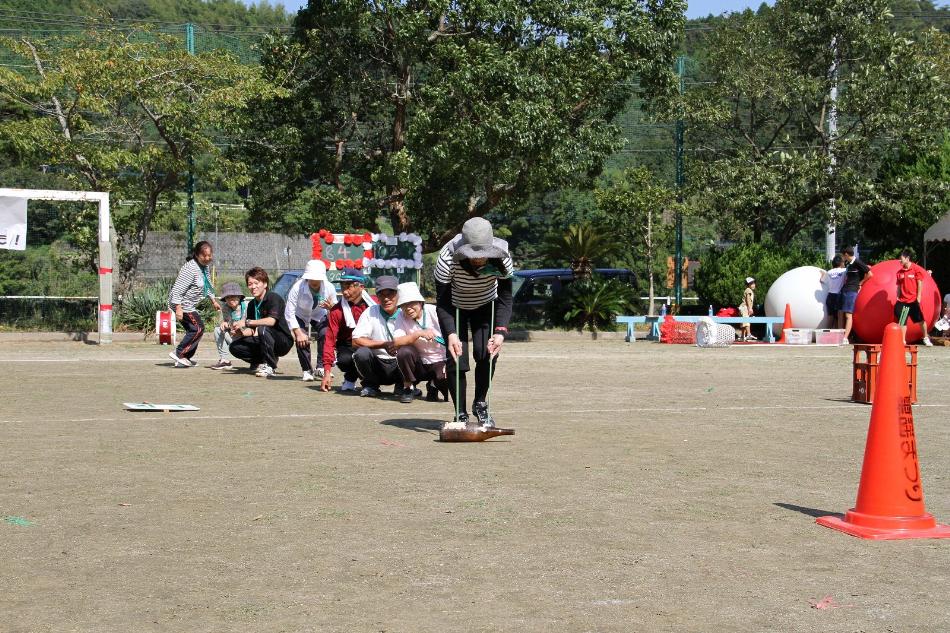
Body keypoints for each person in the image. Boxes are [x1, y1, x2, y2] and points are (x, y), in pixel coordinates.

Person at [435, 216, 513, 429]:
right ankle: (460, 412)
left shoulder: (503, 257)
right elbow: (441, 302)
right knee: (456, 357)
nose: (479, 259)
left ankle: (480, 403)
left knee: (486, 353)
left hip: (486, 303)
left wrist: (500, 331)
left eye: (483, 254)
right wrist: (451, 333)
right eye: (473, 255)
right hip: (454, 306)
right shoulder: (447, 257)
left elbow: (506, 298)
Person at [228, 267, 293, 377]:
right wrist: (241, 333)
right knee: (235, 347)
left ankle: (270, 366)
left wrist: (246, 322)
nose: (253, 287)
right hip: (264, 338)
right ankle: (262, 361)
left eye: (256, 283)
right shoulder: (252, 304)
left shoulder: (273, 298)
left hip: (282, 341)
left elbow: (271, 321)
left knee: (263, 328)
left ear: (265, 284)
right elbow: (252, 331)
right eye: (250, 284)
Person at [391, 281, 448, 404]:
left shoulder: (435, 311)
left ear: (420, 302)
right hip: (419, 363)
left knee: (447, 381)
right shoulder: (401, 316)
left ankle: (433, 385)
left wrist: (450, 362)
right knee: (404, 352)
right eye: (404, 305)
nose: (408, 308)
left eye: (412, 303)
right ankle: (408, 387)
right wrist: (418, 334)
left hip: (440, 359)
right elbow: (396, 342)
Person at [167, 240, 220, 367]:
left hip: (188, 304)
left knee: (195, 329)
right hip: (182, 304)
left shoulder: (204, 267)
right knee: (197, 328)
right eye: (204, 256)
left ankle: (184, 358)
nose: (207, 258)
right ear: (197, 255)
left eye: (209, 255)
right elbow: (178, 289)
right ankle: (179, 353)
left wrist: (213, 300)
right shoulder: (190, 268)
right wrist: (179, 308)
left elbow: (207, 285)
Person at [320, 268, 373, 393]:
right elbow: (330, 340)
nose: (344, 291)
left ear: (361, 286)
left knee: (366, 355)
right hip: (348, 344)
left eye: (348, 286)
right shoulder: (336, 311)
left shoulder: (374, 305)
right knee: (345, 360)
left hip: (371, 342)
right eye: (342, 286)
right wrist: (327, 372)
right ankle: (350, 377)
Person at [284, 260, 337, 381]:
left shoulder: (329, 287)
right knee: (302, 339)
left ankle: (321, 368)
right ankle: (307, 370)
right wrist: (298, 332)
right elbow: (289, 312)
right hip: (300, 314)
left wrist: (331, 308)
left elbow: (336, 310)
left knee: (325, 333)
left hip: (319, 313)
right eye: (311, 278)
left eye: (317, 278)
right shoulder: (297, 288)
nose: (314, 281)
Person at [351, 275, 404, 397]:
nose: (386, 299)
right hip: (377, 364)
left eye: (390, 294)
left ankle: (404, 385)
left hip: (399, 364)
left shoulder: (405, 311)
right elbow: (355, 341)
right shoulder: (370, 312)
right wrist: (383, 344)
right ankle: (370, 385)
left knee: (409, 352)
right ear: (377, 296)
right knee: (361, 353)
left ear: (398, 294)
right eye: (382, 294)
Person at [894, 249, 933, 346]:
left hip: (913, 300)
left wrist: (918, 297)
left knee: (920, 320)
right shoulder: (900, 272)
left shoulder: (916, 269)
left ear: (907, 258)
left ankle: (925, 337)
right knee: (902, 320)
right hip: (904, 301)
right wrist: (897, 296)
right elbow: (899, 286)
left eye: (901, 258)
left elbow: (920, 283)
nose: (900, 261)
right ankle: (902, 341)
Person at [210, 281, 246, 370]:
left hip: (247, 337)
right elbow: (227, 322)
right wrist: (225, 323)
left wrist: (240, 327)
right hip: (234, 337)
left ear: (239, 297)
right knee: (218, 330)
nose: (231, 299)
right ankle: (225, 361)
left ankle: (257, 360)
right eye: (228, 297)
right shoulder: (225, 307)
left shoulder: (248, 306)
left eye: (234, 296)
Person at [841, 246, 872, 344]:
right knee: (844, 314)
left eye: (843, 255)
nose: (842, 257)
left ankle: (845, 338)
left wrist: (860, 283)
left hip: (852, 290)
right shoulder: (848, 263)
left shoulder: (858, 262)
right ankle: (848, 336)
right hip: (846, 289)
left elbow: (870, 274)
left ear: (846, 254)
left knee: (848, 315)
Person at [821, 255, 847, 329]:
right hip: (838, 296)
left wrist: (823, 274)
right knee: (840, 317)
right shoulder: (844, 270)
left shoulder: (829, 272)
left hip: (830, 296)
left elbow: (822, 280)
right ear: (841, 263)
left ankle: (827, 334)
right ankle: (840, 336)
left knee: (831, 316)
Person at [738, 277, 756, 341]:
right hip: (745, 307)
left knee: (744, 322)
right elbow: (748, 300)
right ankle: (748, 334)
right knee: (746, 321)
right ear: (748, 285)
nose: (753, 285)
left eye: (753, 283)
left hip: (742, 307)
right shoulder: (748, 290)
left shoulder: (747, 290)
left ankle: (743, 336)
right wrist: (750, 308)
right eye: (751, 284)